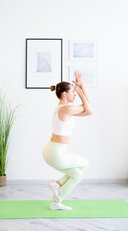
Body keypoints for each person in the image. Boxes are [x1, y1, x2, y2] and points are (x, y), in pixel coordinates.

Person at [42, 71, 92, 210]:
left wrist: (81, 87)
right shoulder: (66, 109)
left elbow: (87, 110)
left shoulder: (64, 109)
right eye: (73, 92)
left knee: (76, 173)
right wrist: (81, 89)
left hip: (52, 150)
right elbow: (89, 109)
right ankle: (57, 195)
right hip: (55, 153)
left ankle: (56, 189)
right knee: (84, 164)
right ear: (65, 94)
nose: (74, 94)